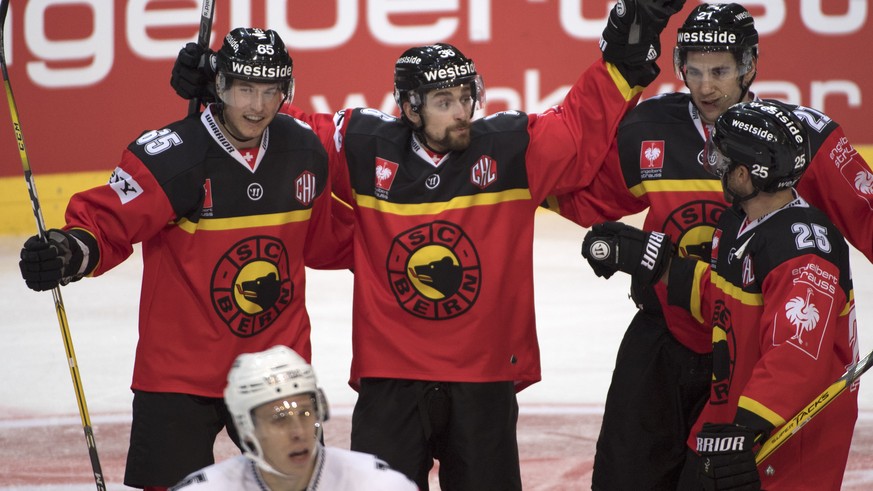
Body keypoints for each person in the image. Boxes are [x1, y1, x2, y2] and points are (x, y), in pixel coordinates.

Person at [168, 1, 687, 488]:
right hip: (391, 380)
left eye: (466, 98)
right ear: (410, 108)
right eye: (444, 102)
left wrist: (621, 50)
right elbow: (282, 125)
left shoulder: (509, 148)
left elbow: (579, 125)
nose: (461, 111)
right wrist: (218, 88)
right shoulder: (365, 146)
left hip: (482, 376)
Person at [546, 3, 873, 489]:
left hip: (759, 350)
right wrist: (509, 184)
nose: (705, 86)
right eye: (693, 71)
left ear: (749, 66)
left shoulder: (803, 139)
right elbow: (580, 196)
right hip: (669, 335)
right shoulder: (650, 129)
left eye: (719, 70)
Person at [18, 28, 352, 490]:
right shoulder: (174, 156)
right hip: (179, 372)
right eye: (244, 90)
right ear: (219, 86)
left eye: (270, 91)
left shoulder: (302, 149)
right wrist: (69, 251)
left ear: (285, 91)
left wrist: (392, 247)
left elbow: (324, 239)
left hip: (277, 365)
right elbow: (108, 221)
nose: (257, 106)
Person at [580, 99, 859, 490]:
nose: (712, 164)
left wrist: (747, 430)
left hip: (783, 437)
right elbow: (724, 303)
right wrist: (660, 265)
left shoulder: (804, 250)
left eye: (720, 157)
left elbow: (796, 355)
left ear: (745, 175)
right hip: (730, 415)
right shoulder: (740, 224)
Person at [169, 345, 417, 490]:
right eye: (279, 419)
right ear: (246, 428)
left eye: (305, 413)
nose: (298, 431)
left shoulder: (377, 484)